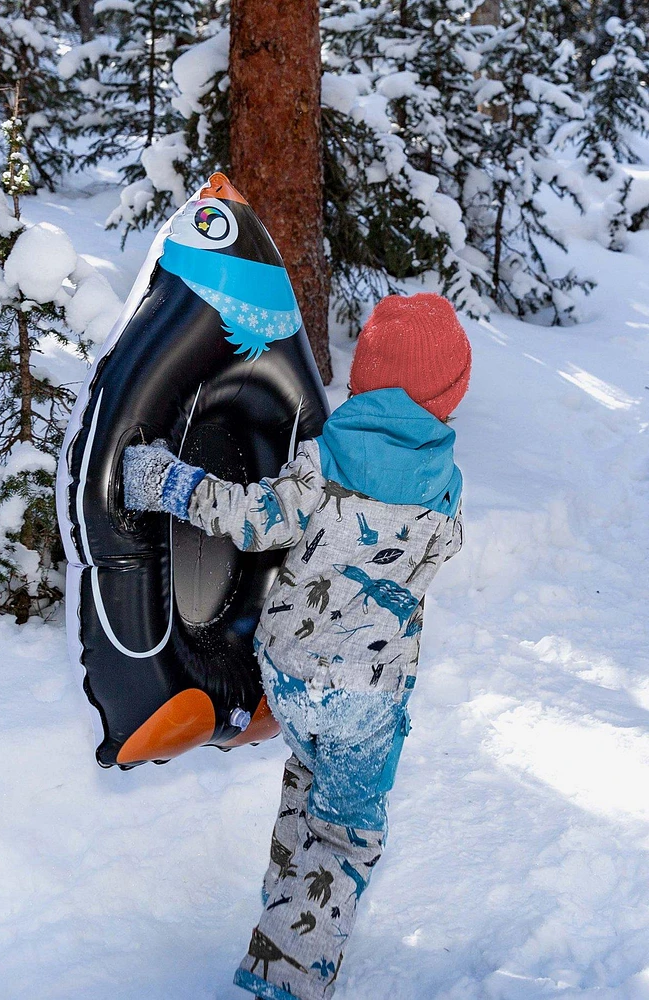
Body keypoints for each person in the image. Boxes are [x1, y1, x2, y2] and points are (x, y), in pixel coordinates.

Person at [123, 292, 471, 1000]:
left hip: (291, 679)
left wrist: (167, 480)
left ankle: (285, 922)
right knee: (344, 835)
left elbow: (253, 522)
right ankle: (286, 976)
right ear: (446, 397)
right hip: (364, 698)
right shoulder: (445, 487)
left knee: (305, 787)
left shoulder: (325, 459)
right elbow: (437, 555)